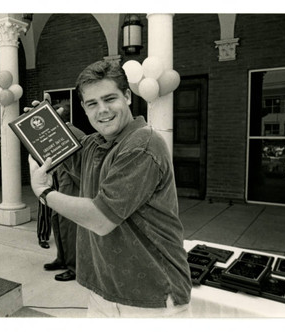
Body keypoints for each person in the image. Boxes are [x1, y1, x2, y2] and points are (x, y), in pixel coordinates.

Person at [28, 60, 192, 317]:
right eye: (92, 103)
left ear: (127, 96)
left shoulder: (141, 146)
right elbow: (74, 150)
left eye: (109, 99)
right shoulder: (98, 143)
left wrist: (44, 193)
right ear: (83, 107)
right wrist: (43, 123)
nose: (102, 110)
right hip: (105, 291)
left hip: (151, 297)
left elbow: (100, 218)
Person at [43, 103, 85, 282]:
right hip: (60, 179)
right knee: (57, 221)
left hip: (72, 183)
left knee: (68, 226)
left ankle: (74, 267)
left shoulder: (74, 133)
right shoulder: (60, 133)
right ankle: (61, 258)